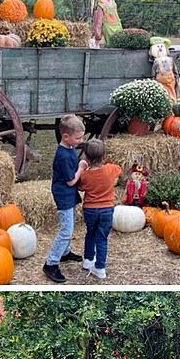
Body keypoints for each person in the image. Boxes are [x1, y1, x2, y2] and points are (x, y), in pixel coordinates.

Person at [68, 139, 120, 280]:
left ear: (86, 157)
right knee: (102, 239)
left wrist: (83, 168)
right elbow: (119, 171)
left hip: (90, 209)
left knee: (90, 233)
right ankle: (100, 268)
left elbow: (80, 187)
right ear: (103, 156)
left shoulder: (85, 175)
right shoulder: (110, 169)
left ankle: (88, 260)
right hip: (106, 210)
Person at [43, 115, 85, 283]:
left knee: (70, 223)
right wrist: (81, 168)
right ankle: (51, 263)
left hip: (69, 194)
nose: (80, 141)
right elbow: (71, 180)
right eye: (78, 138)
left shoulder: (69, 149)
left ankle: (65, 253)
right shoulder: (63, 156)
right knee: (66, 230)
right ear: (65, 137)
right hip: (64, 195)